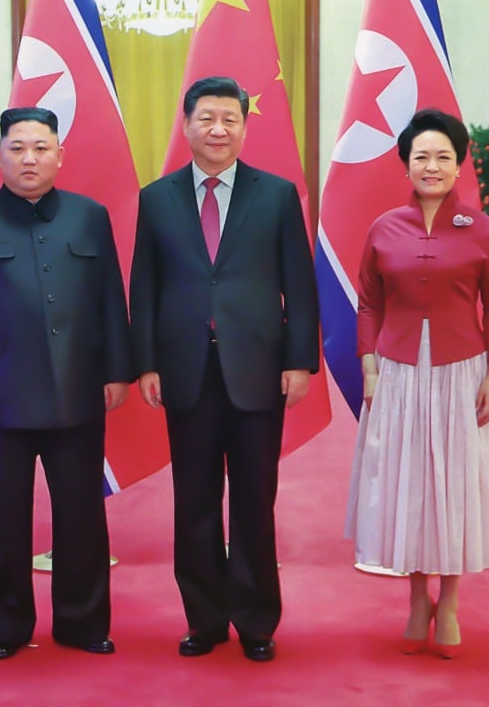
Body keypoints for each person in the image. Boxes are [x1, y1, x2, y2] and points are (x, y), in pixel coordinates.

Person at [0, 106, 132, 661]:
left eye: (41, 148)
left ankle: (83, 622)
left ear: (60, 156)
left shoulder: (90, 217)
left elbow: (111, 298)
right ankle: (4, 625)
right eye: (17, 148)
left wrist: (118, 370)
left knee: (82, 515)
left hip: (78, 393)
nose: (29, 158)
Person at [129, 76, 320, 662]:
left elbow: (300, 284)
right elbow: (146, 285)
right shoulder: (156, 198)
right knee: (195, 501)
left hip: (258, 370)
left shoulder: (278, 195)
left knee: (255, 500)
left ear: (243, 125)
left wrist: (300, 361)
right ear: (185, 126)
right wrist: (146, 362)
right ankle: (205, 620)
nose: (218, 129)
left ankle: (257, 620)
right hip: (185, 370)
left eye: (229, 119)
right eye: (206, 118)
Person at [345, 108, 489, 659]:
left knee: (453, 484)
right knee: (408, 481)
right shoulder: (383, 229)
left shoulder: (482, 230)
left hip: (461, 373)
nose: (432, 165)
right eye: (421, 155)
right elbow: (370, 302)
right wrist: (369, 366)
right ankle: (415, 598)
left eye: (443, 156)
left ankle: (448, 603)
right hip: (397, 373)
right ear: (405, 164)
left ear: (458, 165)